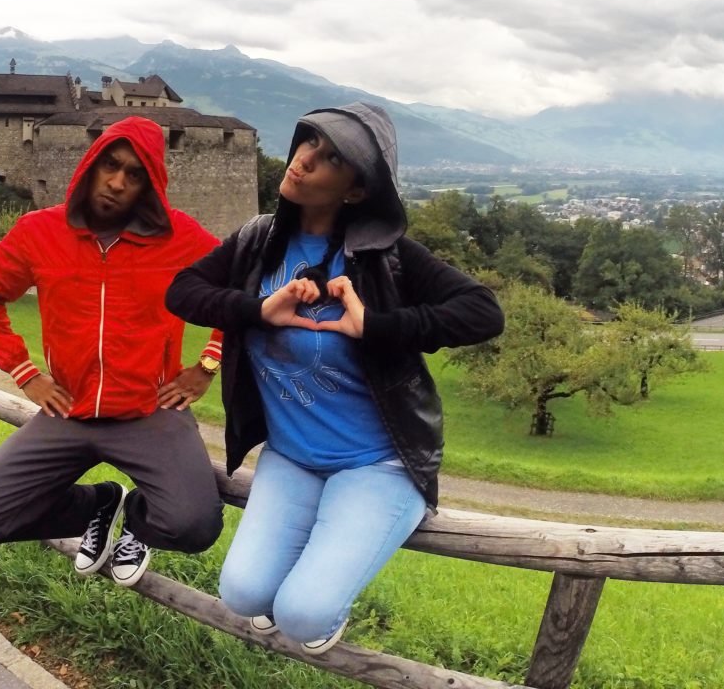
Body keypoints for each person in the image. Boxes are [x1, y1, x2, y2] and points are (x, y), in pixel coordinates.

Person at [165, 102, 504, 653]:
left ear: (355, 189)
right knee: (243, 593)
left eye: (329, 157)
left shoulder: (387, 257)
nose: (302, 160)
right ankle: (302, 580)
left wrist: (376, 325)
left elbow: (483, 312)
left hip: (379, 461)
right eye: (307, 143)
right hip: (291, 457)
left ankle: (317, 606)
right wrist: (256, 309)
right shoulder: (257, 240)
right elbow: (182, 291)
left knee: (303, 615)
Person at [0, 116, 225, 587]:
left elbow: (241, 292)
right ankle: (97, 503)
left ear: (150, 185)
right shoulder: (40, 231)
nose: (117, 183)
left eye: (135, 175)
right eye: (110, 166)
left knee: (195, 525)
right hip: (67, 412)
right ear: (91, 165)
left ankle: (138, 518)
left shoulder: (178, 237)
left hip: (149, 412)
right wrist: (25, 372)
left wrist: (208, 363)